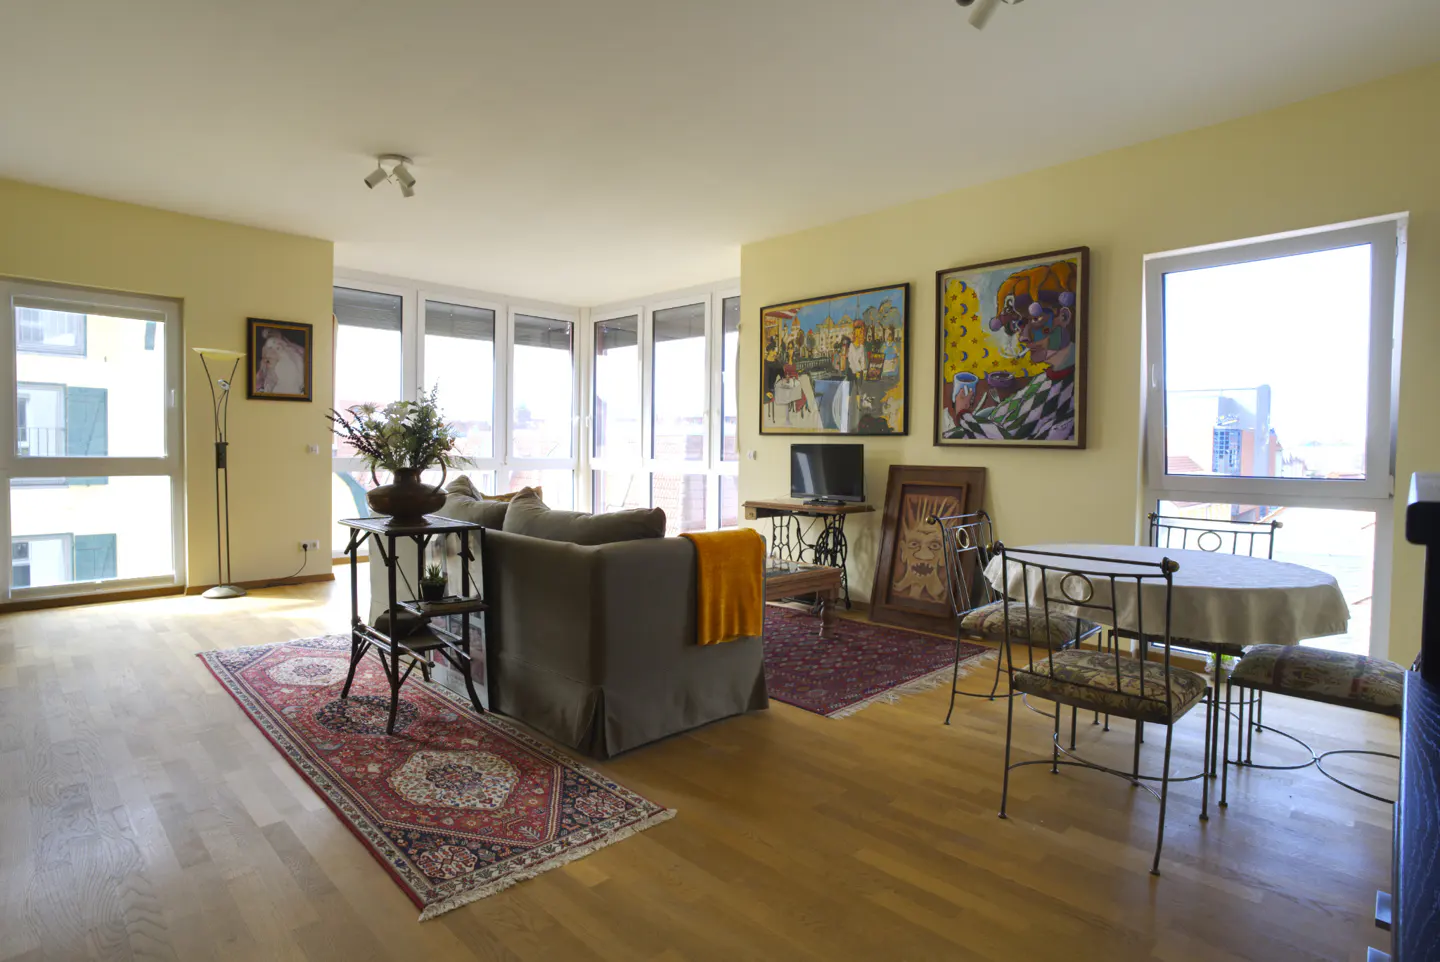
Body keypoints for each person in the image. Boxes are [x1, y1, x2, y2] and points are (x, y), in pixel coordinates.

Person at [945, 260, 1079, 442]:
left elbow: (1005, 439)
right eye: (1020, 323)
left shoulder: (1064, 394)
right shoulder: (1048, 377)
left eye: (1036, 319)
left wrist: (963, 413)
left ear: (1064, 316)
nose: (1023, 336)